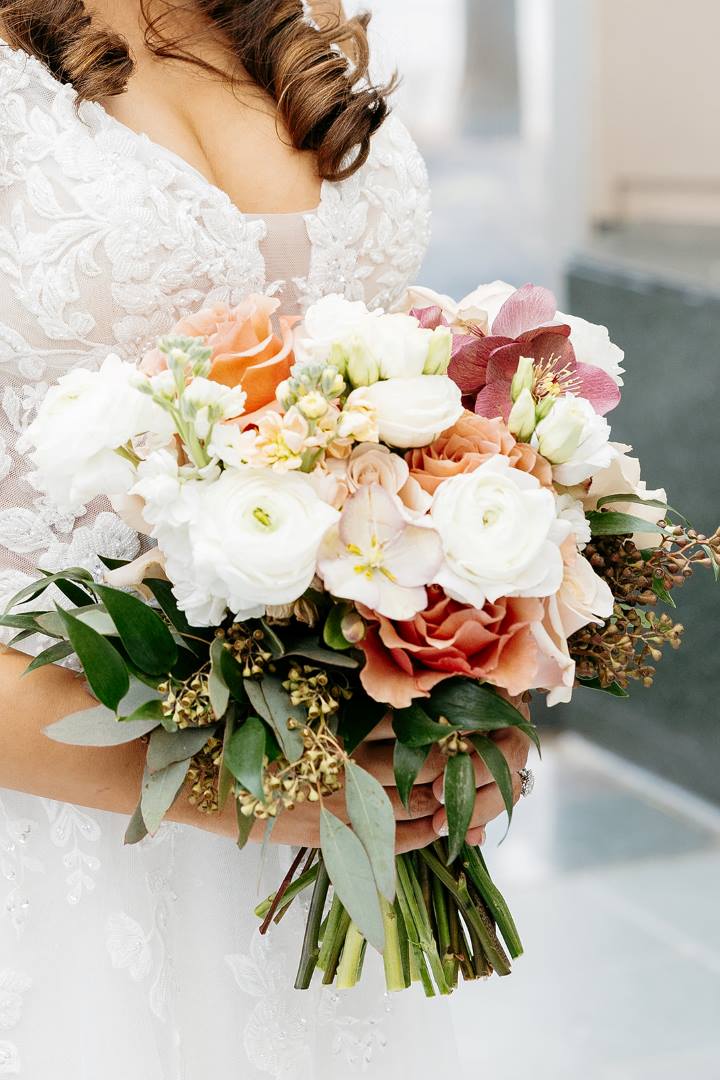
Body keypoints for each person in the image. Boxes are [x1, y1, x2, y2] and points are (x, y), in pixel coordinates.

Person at [0, 2, 530, 1075]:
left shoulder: (292, 16)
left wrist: (463, 675)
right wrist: (238, 785)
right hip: (61, 827)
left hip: (318, 840)